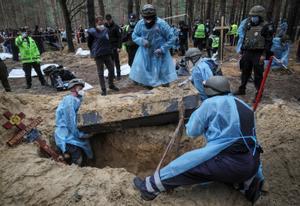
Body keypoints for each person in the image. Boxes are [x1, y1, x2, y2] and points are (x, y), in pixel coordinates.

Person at [133, 76, 264, 204]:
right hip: (252, 163)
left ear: (208, 90)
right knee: (229, 165)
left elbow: (192, 131)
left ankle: (149, 188)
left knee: (186, 163)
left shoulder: (210, 103)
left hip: (230, 163)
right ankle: (247, 187)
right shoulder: (244, 105)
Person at [129, 4, 177, 88]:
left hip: (160, 54)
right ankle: (149, 88)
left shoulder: (162, 24)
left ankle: (165, 89)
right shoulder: (140, 24)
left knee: (163, 74)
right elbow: (134, 35)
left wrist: (162, 49)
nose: (148, 20)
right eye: (146, 18)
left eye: (150, 17)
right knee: (146, 73)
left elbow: (172, 38)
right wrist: (142, 41)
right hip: (145, 54)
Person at [234, 5, 274, 99]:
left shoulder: (266, 26)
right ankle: (242, 89)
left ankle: (258, 94)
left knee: (258, 75)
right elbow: (245, 38)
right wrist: (242, 51)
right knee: (245, 71)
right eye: (252, 16)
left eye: (255, 16)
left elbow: (268, 42)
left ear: (260, 16)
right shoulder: (248, 24)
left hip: (259, 53)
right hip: (248, 52)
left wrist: (264, 55)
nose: (253, 18)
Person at [54, 79, 93, 166]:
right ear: (74, 88)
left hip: (69, 134)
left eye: (82, 88)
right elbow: (70, 122)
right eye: (80, 88)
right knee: (77, 160)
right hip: (66, 135)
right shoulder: (69, 100)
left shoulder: (77, 99)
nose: (82, 90)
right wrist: (80, 134)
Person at [87, 16, 119, 96]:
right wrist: (93, 51)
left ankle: (111, 85)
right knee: (100, 73)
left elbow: (109, 40)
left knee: (111, 69)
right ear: (96, 22)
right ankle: (103, 89)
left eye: (102, 20)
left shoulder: (106, 30)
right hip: (98, 55)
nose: (101, 22)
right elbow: (89, 43)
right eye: (99, 21)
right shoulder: (92, 32)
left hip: (107, 53)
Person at [105, 14, 122, 80]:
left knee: (116, 61)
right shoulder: (104, 27)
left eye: (109, 20)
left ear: (111, 19)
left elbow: (120, 37)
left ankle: (118, 75)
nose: (108, 21)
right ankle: (112, 75)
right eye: (107, 20)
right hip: (107, 47)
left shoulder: (116, 26)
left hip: (115, 47)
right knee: (109, 62)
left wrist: (119, 47)